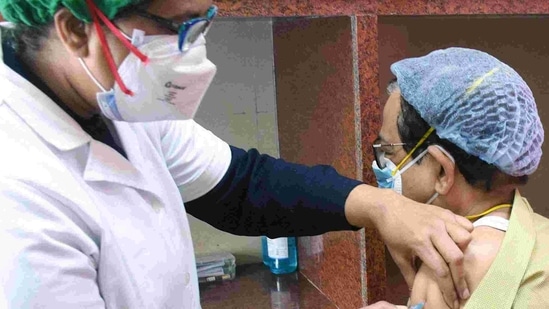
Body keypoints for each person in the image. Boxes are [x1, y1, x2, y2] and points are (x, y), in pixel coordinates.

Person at [0, 1, 473, 308]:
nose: (195, 49)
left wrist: (380, 204)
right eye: (174, 27)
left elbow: (242, 186)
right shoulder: (20, 201)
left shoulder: (120, 100)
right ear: (75, 30)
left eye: (202, 19)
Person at [365, 48, 548, 308]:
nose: (382, 166)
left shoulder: (447, 270)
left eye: (389, 152)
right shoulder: (539, 236)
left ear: (442, 171)